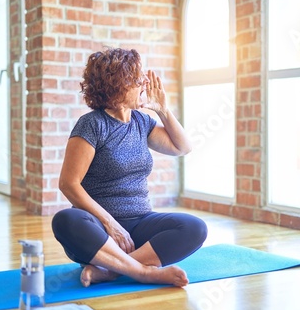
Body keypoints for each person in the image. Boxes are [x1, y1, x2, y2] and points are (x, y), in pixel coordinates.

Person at [51, 47, 208, 288]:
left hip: (140, 223)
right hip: (99, 233)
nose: (144, 82)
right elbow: (68, 184)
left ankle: (111, 271)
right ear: (118, 84)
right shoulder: (92, 125)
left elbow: (182, 147)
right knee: (65, 220)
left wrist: (163, 110)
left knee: (194, 227)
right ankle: (143, 272)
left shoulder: (142, 122)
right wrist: (110, 224)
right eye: (137, 79)